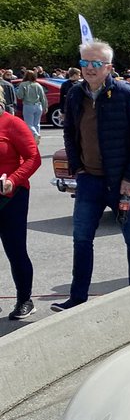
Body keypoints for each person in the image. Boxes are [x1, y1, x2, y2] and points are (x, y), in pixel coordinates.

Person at [51, 41, 130, 312]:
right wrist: (78, 168)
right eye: (85, 63)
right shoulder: (75, 94)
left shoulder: (126, 94)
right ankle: (77, 298)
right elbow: (70, 133)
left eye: (96, 64)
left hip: (122, 183)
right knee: (81, 239)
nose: (89, 69)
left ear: (108, 67)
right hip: (89, 181)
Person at [0, 104, 41, 319]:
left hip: (11, 197)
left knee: (15, 250)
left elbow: (34, 158)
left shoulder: (13, 123)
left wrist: (13, 180)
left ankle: (25, 299)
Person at [18, 70, 46, 143]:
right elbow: (43, 97)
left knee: (28, 123)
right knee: (37, 123)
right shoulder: (38, 85)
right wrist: (45, 107)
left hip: (28, 105)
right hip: (38, 105)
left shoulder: (23, 84)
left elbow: (20, 96)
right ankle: (36, 138)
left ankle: (35, 134)